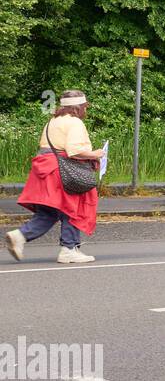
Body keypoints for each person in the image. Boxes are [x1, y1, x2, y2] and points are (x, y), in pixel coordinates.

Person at [7, 90, 104, 264]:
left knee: (50, 212)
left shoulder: (52, 121)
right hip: (63, 170)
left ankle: (20, 236)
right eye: (84, 107)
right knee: (72, 208)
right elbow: (74, 150)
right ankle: (68, 249)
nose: (86, 111)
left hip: (45, 169)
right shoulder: (75, 123)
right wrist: (95, 154)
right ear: (78, 108)